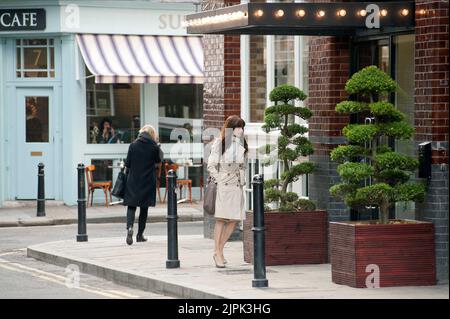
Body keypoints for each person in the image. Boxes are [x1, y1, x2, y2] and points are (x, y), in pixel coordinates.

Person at [207, 115, 248, 268]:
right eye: (238, 127)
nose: (241, 130)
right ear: (231, 128)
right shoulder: (220, 143)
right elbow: (211, 166)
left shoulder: (242, 144)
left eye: (242, 127)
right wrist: (220, 180)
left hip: (237, 186)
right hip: (224, 185)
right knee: (222, 219)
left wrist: (242, 180)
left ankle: (219, 250)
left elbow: (243, 166)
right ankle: (217, 252)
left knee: (234, 219)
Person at [123, 124, 163, 245]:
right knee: (144, 209)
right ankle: (140, 235)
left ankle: (130, 228)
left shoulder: (133, 145)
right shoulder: (154, 147)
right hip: (147, 181)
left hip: (133, 180)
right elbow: (158, 160)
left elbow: (128, 164)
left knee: (131, 206)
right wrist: (158, 147)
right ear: (152, 135)